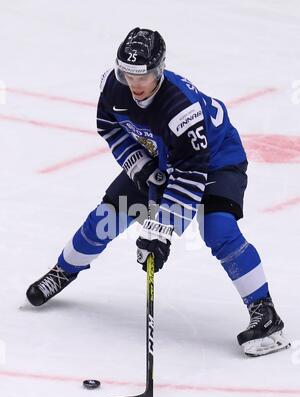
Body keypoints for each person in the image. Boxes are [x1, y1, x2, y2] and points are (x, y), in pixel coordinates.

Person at [26, 27, 290, 357]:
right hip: (159, 155)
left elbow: (191, 176)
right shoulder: (114, 85)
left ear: (160, 69)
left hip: (216, 160)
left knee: (217, 227)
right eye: (128, 74)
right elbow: (109, 126)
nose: (135, 84)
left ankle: (265, 313)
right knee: (106, 218)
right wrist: (141, 167)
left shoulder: (181, 108)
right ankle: (63, 271)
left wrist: (160, 232)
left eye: (144, 76)